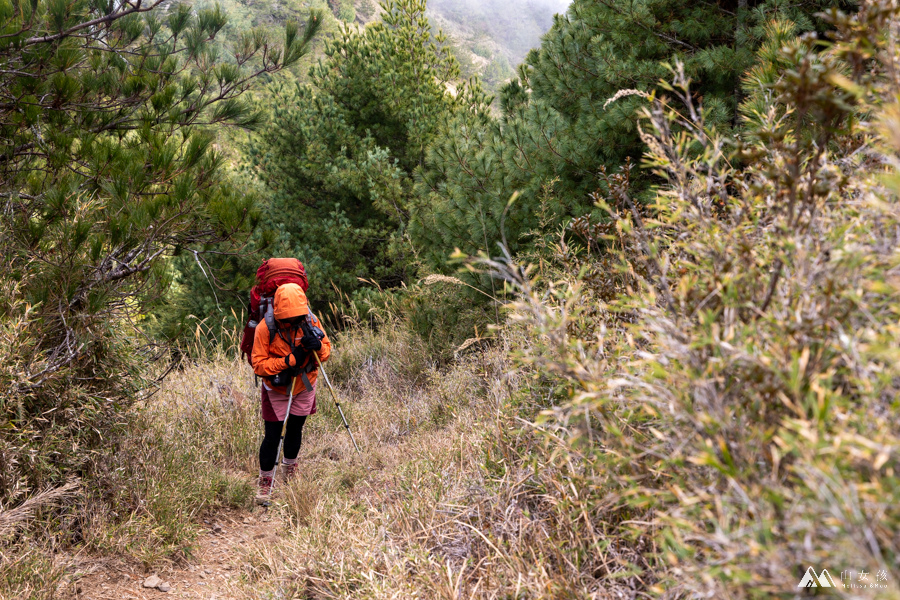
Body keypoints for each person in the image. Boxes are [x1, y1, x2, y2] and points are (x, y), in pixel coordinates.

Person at [250, 282, 331, 504]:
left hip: (305, 384)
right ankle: (266, 482)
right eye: (288, 318)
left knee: (296, 428)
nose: (293, 322)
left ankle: (290, 471)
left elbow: (325, 352)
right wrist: (289, 360)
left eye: (296, 317)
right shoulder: (265, 329)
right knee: (272, 436)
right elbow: (258, 365)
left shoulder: (310, 320)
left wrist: (318, 347)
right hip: (276, 388)